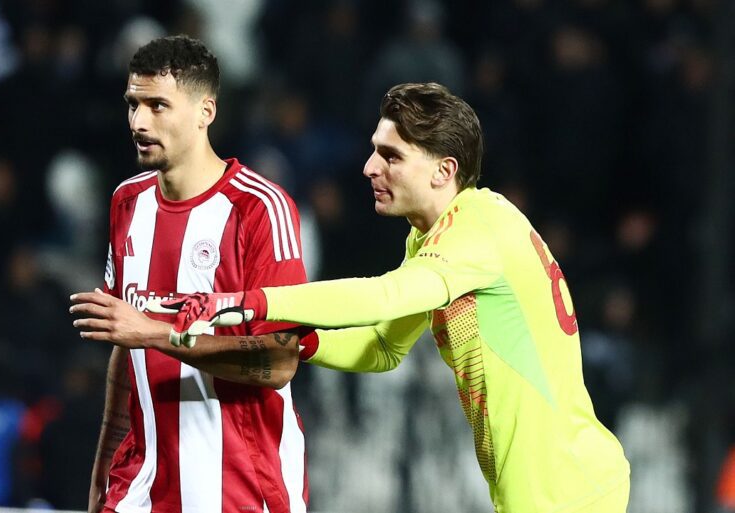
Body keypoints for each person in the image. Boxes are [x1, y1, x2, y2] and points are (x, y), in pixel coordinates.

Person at [164, 83, 631, 513]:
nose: (370, 167)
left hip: (565, 494)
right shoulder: (437, 234)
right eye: (374, 151)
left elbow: (386, 296)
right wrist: (302, 342)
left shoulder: (477, 230)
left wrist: (251, 302)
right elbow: (385, 347)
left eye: (391, 156)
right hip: (551, 489)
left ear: (444, 170)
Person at [68, 36, 309, 513]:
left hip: (239, 489)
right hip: (140, 484)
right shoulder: (127, 202)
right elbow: (126, 346)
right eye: (133, 104)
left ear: (206, 112)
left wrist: (157, 333)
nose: (139, 122)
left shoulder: (260, 209)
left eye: (158, 106)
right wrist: (102, 471)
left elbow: (281, 362)